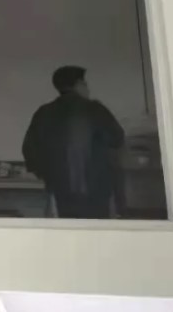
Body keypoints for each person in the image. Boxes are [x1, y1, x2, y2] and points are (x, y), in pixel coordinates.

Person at [22, 65, 125, 219]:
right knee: (97, 229)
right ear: (78, 85)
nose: (88, 89)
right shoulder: (96, 109)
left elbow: (29, 150)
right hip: (97, 190)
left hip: (61, 190)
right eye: (85, 84)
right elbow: (117, 138)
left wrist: (46, 175)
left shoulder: (44, 113)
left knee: (67, 228)